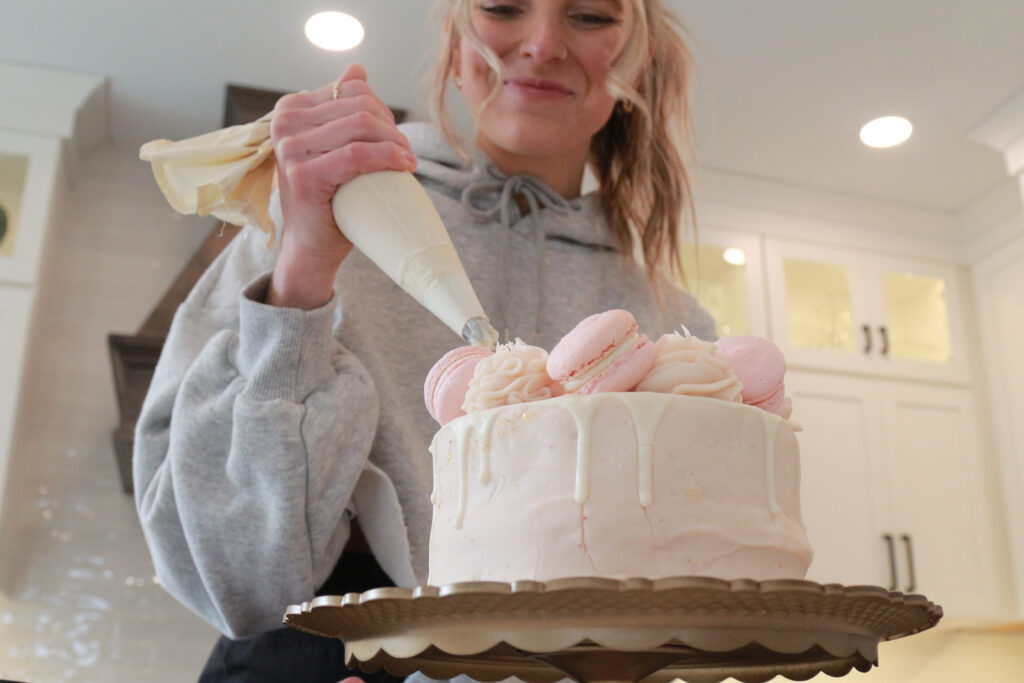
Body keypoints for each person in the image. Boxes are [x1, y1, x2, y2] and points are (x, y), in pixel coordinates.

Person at [133, 0, 717, 681]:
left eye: (589, 15)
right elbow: (239, 585)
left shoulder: (668, 318)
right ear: (454, 37)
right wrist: (302, 282)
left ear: (636, 56)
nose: (542, 44)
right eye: (504, 7)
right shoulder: (323, 208)